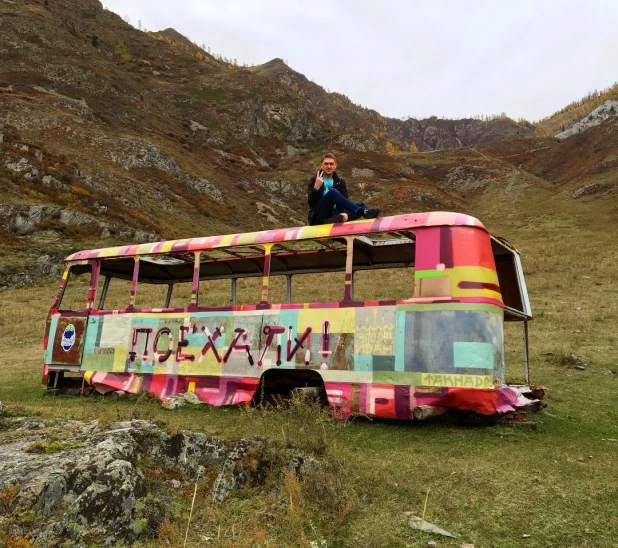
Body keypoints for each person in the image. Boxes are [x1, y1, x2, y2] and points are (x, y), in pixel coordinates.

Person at [307, 153, 380, 225]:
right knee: (332, 192)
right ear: (321, 165)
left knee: (362, 205)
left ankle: (337, 218)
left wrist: (345, 214)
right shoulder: (315, 180)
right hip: (319, 216)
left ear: (335, 166)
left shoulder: (340, 182)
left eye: (331, 164)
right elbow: (311, 203)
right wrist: (316, 188)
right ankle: (362, 212)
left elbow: (345, 203)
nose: (329, 166)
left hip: (334, 213)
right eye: (326, 164)